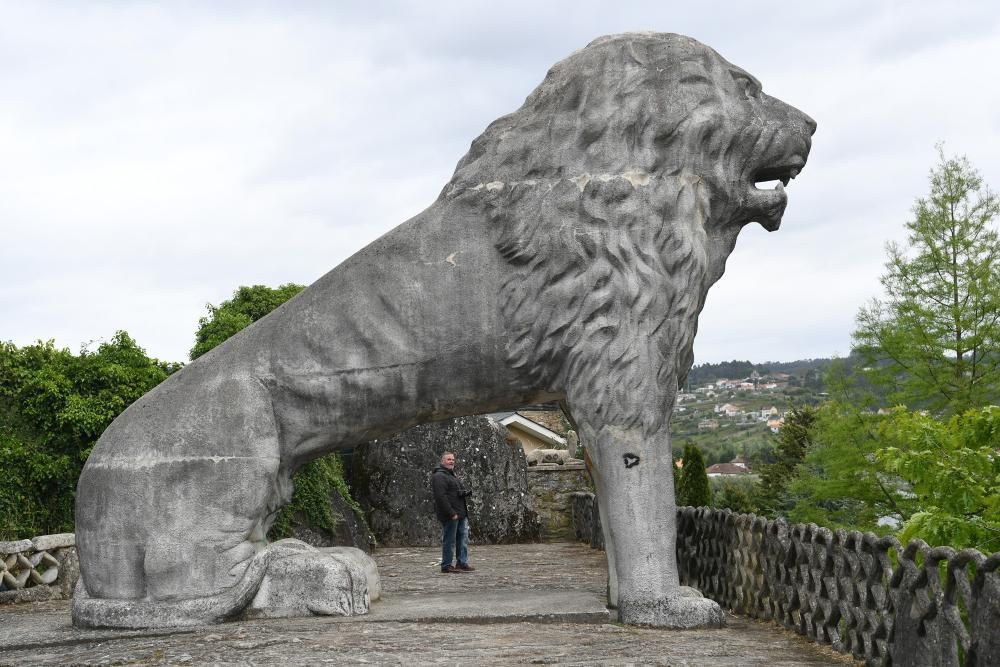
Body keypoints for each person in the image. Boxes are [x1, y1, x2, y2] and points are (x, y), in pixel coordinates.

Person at [431, 451, 475, 573]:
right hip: (451, 515)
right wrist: (451, 513)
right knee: (449, 540)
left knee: (462, 539)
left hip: (460, 513)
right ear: (442, 461)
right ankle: (446, 565)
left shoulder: (450, 475)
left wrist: (464, 493)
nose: (452, 462)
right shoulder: (439, 476)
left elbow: (454, 493)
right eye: (449, 459)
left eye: (453, 460)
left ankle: (462, 563)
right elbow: (441, 497)